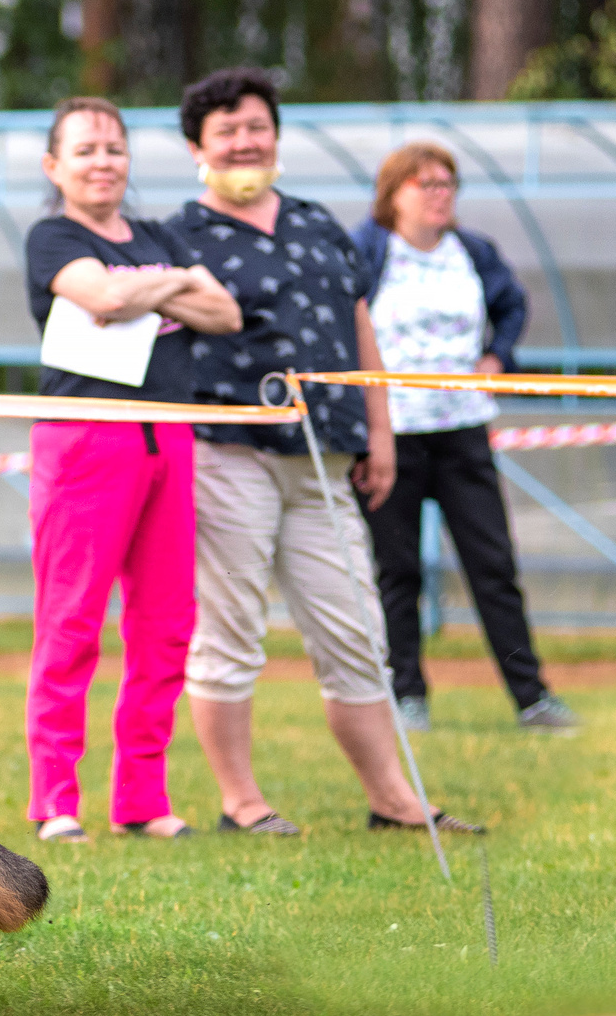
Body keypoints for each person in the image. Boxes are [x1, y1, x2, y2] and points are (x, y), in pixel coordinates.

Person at [161, 68, 484, 838]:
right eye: (227, 130)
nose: (246, 141)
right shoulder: (175, 235)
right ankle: (244, 803)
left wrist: (381, 433)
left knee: (356, 631)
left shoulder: (319, 225)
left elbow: (361, 329)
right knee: (231, 629)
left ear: (276, 134)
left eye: (257, 126)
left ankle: (396, 800)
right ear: (198, 147)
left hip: (327, 457)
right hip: (226, 451)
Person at [23, 96, 242, 842]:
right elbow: (105, 297)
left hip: (170, 440)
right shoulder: (51, 236)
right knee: (72, 621)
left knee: (167, 624)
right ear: (55, 166)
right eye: (85, 149)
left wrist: (151, 283)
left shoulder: (159, 233)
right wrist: (172, 282)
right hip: (87, 441)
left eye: (114, 147)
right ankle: (55, 797)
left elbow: (226, 312)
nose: (103, 161)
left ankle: (141, 797)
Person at [353, 143, 580, 734]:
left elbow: (512, 305)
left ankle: (531, 697)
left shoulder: (472, 251)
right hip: (393, 434)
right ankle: (406, 696)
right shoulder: (369, 250)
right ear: (393, 192)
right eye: (425, 183)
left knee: (492, 566)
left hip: (462, 430)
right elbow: (341, 318)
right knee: (396, 571)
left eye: (448, 183)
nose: (440, 194)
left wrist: (497, 355)